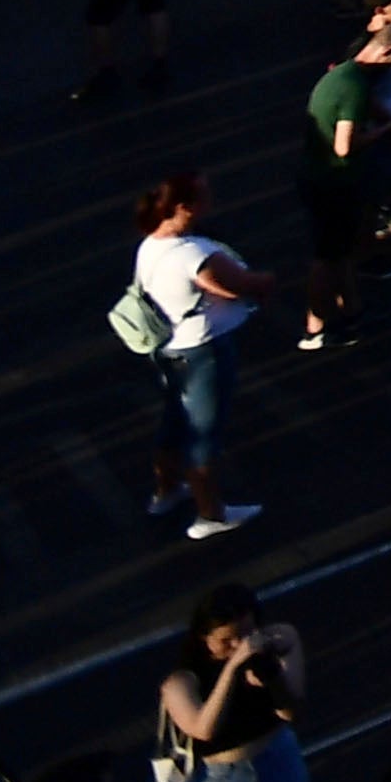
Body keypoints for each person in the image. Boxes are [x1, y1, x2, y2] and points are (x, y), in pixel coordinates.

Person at [128, 173, 268, 539]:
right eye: (204, 195)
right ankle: (211, 514)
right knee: (203, 435)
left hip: (170, 349)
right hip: (203, 353)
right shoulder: (194, 254)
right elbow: (236, 285)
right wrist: (265, 282)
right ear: (185, 207)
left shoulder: (150, 245)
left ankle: (167, 491)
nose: (211, 199)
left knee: (175, 422)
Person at [150, 582, 310, 782]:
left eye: (247, 634)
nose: (239, 645)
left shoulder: (278, 641)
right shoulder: (182, 680)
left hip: (278, 760)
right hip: (218, 781)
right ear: (204, 638)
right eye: (227, 640)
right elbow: (203, 729)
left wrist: (273, 677)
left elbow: (291, 711)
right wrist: (232, 670)